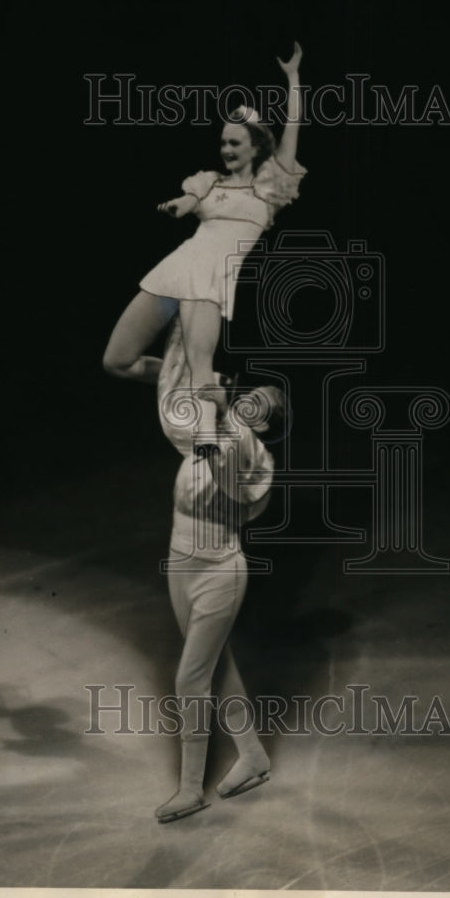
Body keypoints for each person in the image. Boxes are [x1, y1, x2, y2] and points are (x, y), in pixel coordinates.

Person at [102, 43, 306, 440]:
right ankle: (217, 384)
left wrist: (294, 78)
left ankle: (208, 430)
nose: (226, 149)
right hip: (176, 271)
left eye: (234, 143)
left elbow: (293, 126)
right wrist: (178, 206)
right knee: (117, 360)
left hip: (211, 282)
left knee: (197, 360)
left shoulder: (270, 189)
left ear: (256, 146)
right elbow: (189, 198)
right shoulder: (209, 181)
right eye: (223, 142)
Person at [153, 316, 287, 823]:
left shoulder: (255, 454)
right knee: (216, 669)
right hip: (180, 564)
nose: (254, 400)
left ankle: (190, 789)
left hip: (219, 574)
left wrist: (213, 408)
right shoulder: (210, 427)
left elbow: (223, 471)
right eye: (254, 393)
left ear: (269, 422)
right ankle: (252, 755)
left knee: (190, 677)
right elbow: (176, 406)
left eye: (266, 404)